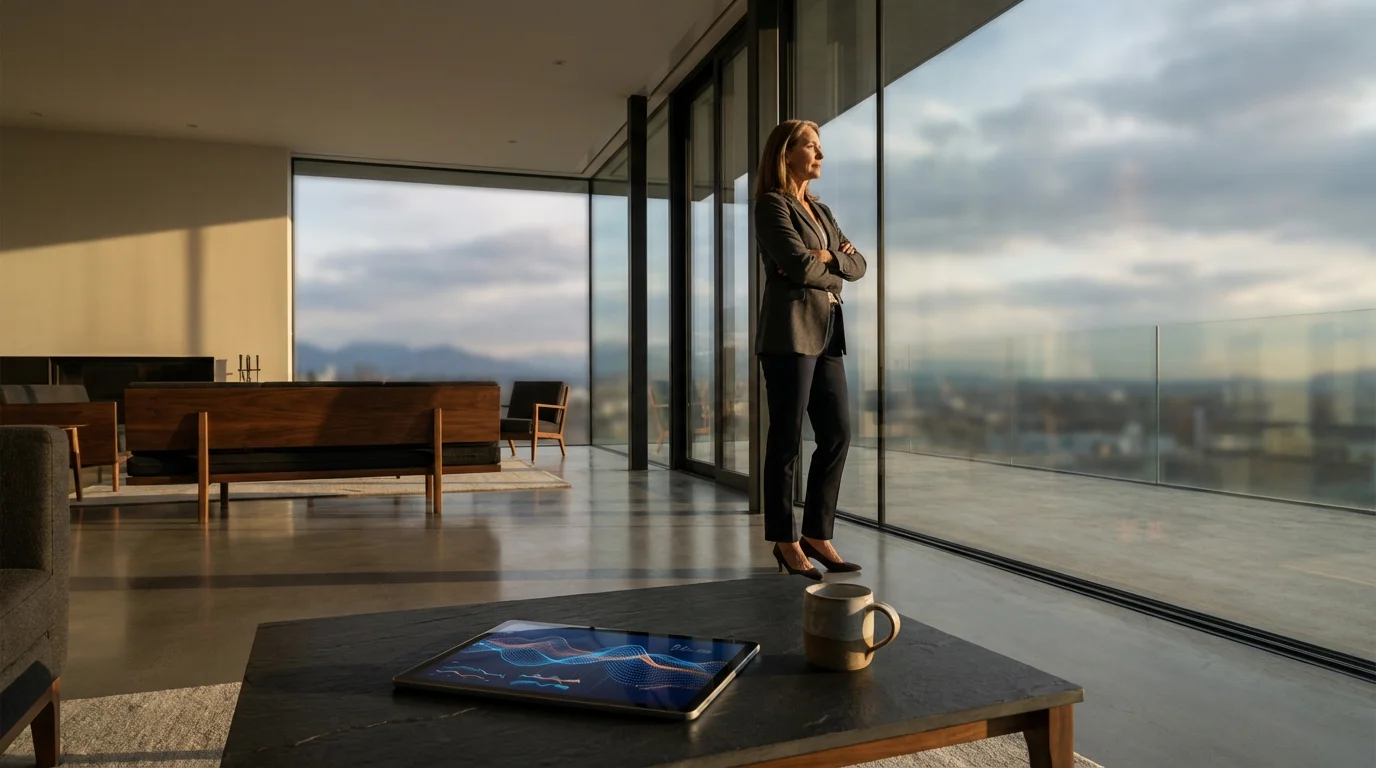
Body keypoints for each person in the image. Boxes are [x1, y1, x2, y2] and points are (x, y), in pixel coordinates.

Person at [753, 119, 866, 580]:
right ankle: (785, 540)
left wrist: (830, 259)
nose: (820, 154)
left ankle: (817, 534)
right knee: (786, 440)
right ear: (786, 153)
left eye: (820, 147)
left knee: (837, 433)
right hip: (788, 335)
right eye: (811, 146)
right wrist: (830, 268)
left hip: (828, 332)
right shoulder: (770, 205)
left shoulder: (821, 211)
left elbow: (859, 264)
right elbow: (798, 267)